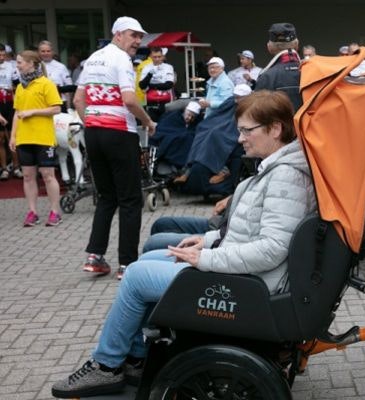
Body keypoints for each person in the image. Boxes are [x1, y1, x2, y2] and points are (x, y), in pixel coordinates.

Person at [51, 89, 317, 398]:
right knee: (152, 260)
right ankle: (134, 357)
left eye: (247, 130)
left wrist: (204, 259)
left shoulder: (285, 176)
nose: (240, 138)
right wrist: (206, 240)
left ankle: (107, 365)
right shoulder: (278, 168)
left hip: (254, 285)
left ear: (275, 129)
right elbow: (250, 231)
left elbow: (271, 248)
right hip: (249, 274)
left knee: (137, 276)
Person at [73, 16, 156, 280]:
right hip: (120, 132)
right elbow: (130, 100)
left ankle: (95, 257)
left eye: (140, 37)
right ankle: (127, 264)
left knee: (107, 197)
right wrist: (148, 121)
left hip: (94, 134)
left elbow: (78, 99)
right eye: (133, 35)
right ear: (118, 35)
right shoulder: (122, 60)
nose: (137, 41)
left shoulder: (93, 59)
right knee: (131, 199)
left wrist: (93, 123)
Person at [9, 50, 63, 226]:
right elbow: (17, 112)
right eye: (17, 63)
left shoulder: (46, 84)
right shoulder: (19, 87)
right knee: (27, 176)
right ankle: (32, 212)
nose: (17, 66)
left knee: (48, 175)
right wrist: (13, 136)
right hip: (24, 138)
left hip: (43, 137)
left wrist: (33, 111)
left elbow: (56, 109)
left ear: (31, 63)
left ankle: (55, 211)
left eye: (19, 63)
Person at [255, 22, 302, 111]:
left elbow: (259, 113)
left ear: (269, 47)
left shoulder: (266, 76)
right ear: (297, 44)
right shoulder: (314, 72)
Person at [139, 47, 175, 122]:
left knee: (166, 126)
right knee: (152, 128)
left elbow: (169, 85)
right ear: (150, 57)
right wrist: (149, 75)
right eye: (155, 57)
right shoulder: (146, 68)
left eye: (159, 57)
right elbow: (142, 86)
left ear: (162, 56)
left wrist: (151, 86)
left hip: (166, 104)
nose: (157, 59)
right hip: (151, 105)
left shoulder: (168, 67)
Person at [0, 43, 19, 180]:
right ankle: (4, 168)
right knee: (0, 139)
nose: (1, 57)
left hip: (9, 103)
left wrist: (11, 89)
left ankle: (17, 167)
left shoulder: (11, 67)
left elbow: (18, 84)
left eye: (3, 54)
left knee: (13, 137)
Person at [38, 40, 74, 109]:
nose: (46, 53)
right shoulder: (36, 67)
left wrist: (68, 107)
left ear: (52, 52)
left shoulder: (61, 66)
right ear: (39, 52)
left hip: (59, 102)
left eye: (48, 51)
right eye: (43, 51)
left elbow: (69, 86)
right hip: (42, 103)